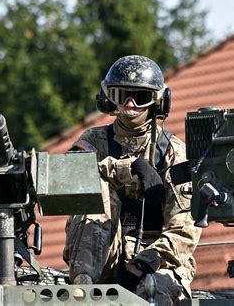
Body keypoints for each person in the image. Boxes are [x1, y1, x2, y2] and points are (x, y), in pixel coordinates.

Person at [63, 55, 201, 305]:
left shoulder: (172, 152)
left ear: (158, 102)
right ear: (108, 98)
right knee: (95, 183)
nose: (130, 104)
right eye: (122, 95)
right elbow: (67, 179)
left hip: (158, 262)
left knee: (152, 292)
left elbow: (184, 231)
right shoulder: (94, 141)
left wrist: (141, 265)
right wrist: (128, 168)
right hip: (101, 257)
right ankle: (82, 290)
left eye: (140, 96)